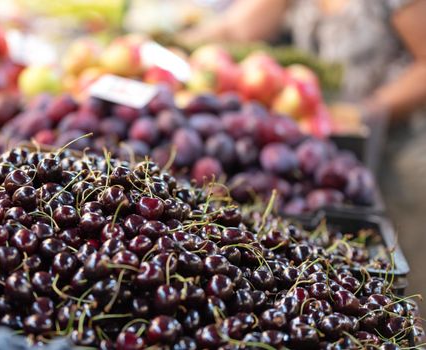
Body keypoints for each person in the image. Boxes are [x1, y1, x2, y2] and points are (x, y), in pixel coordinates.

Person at [182, 0, 426, 299]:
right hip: (336, 148)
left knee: (408, 271)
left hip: (402, 152)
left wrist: (369, 110)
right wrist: (173, 45)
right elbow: (237, 27)